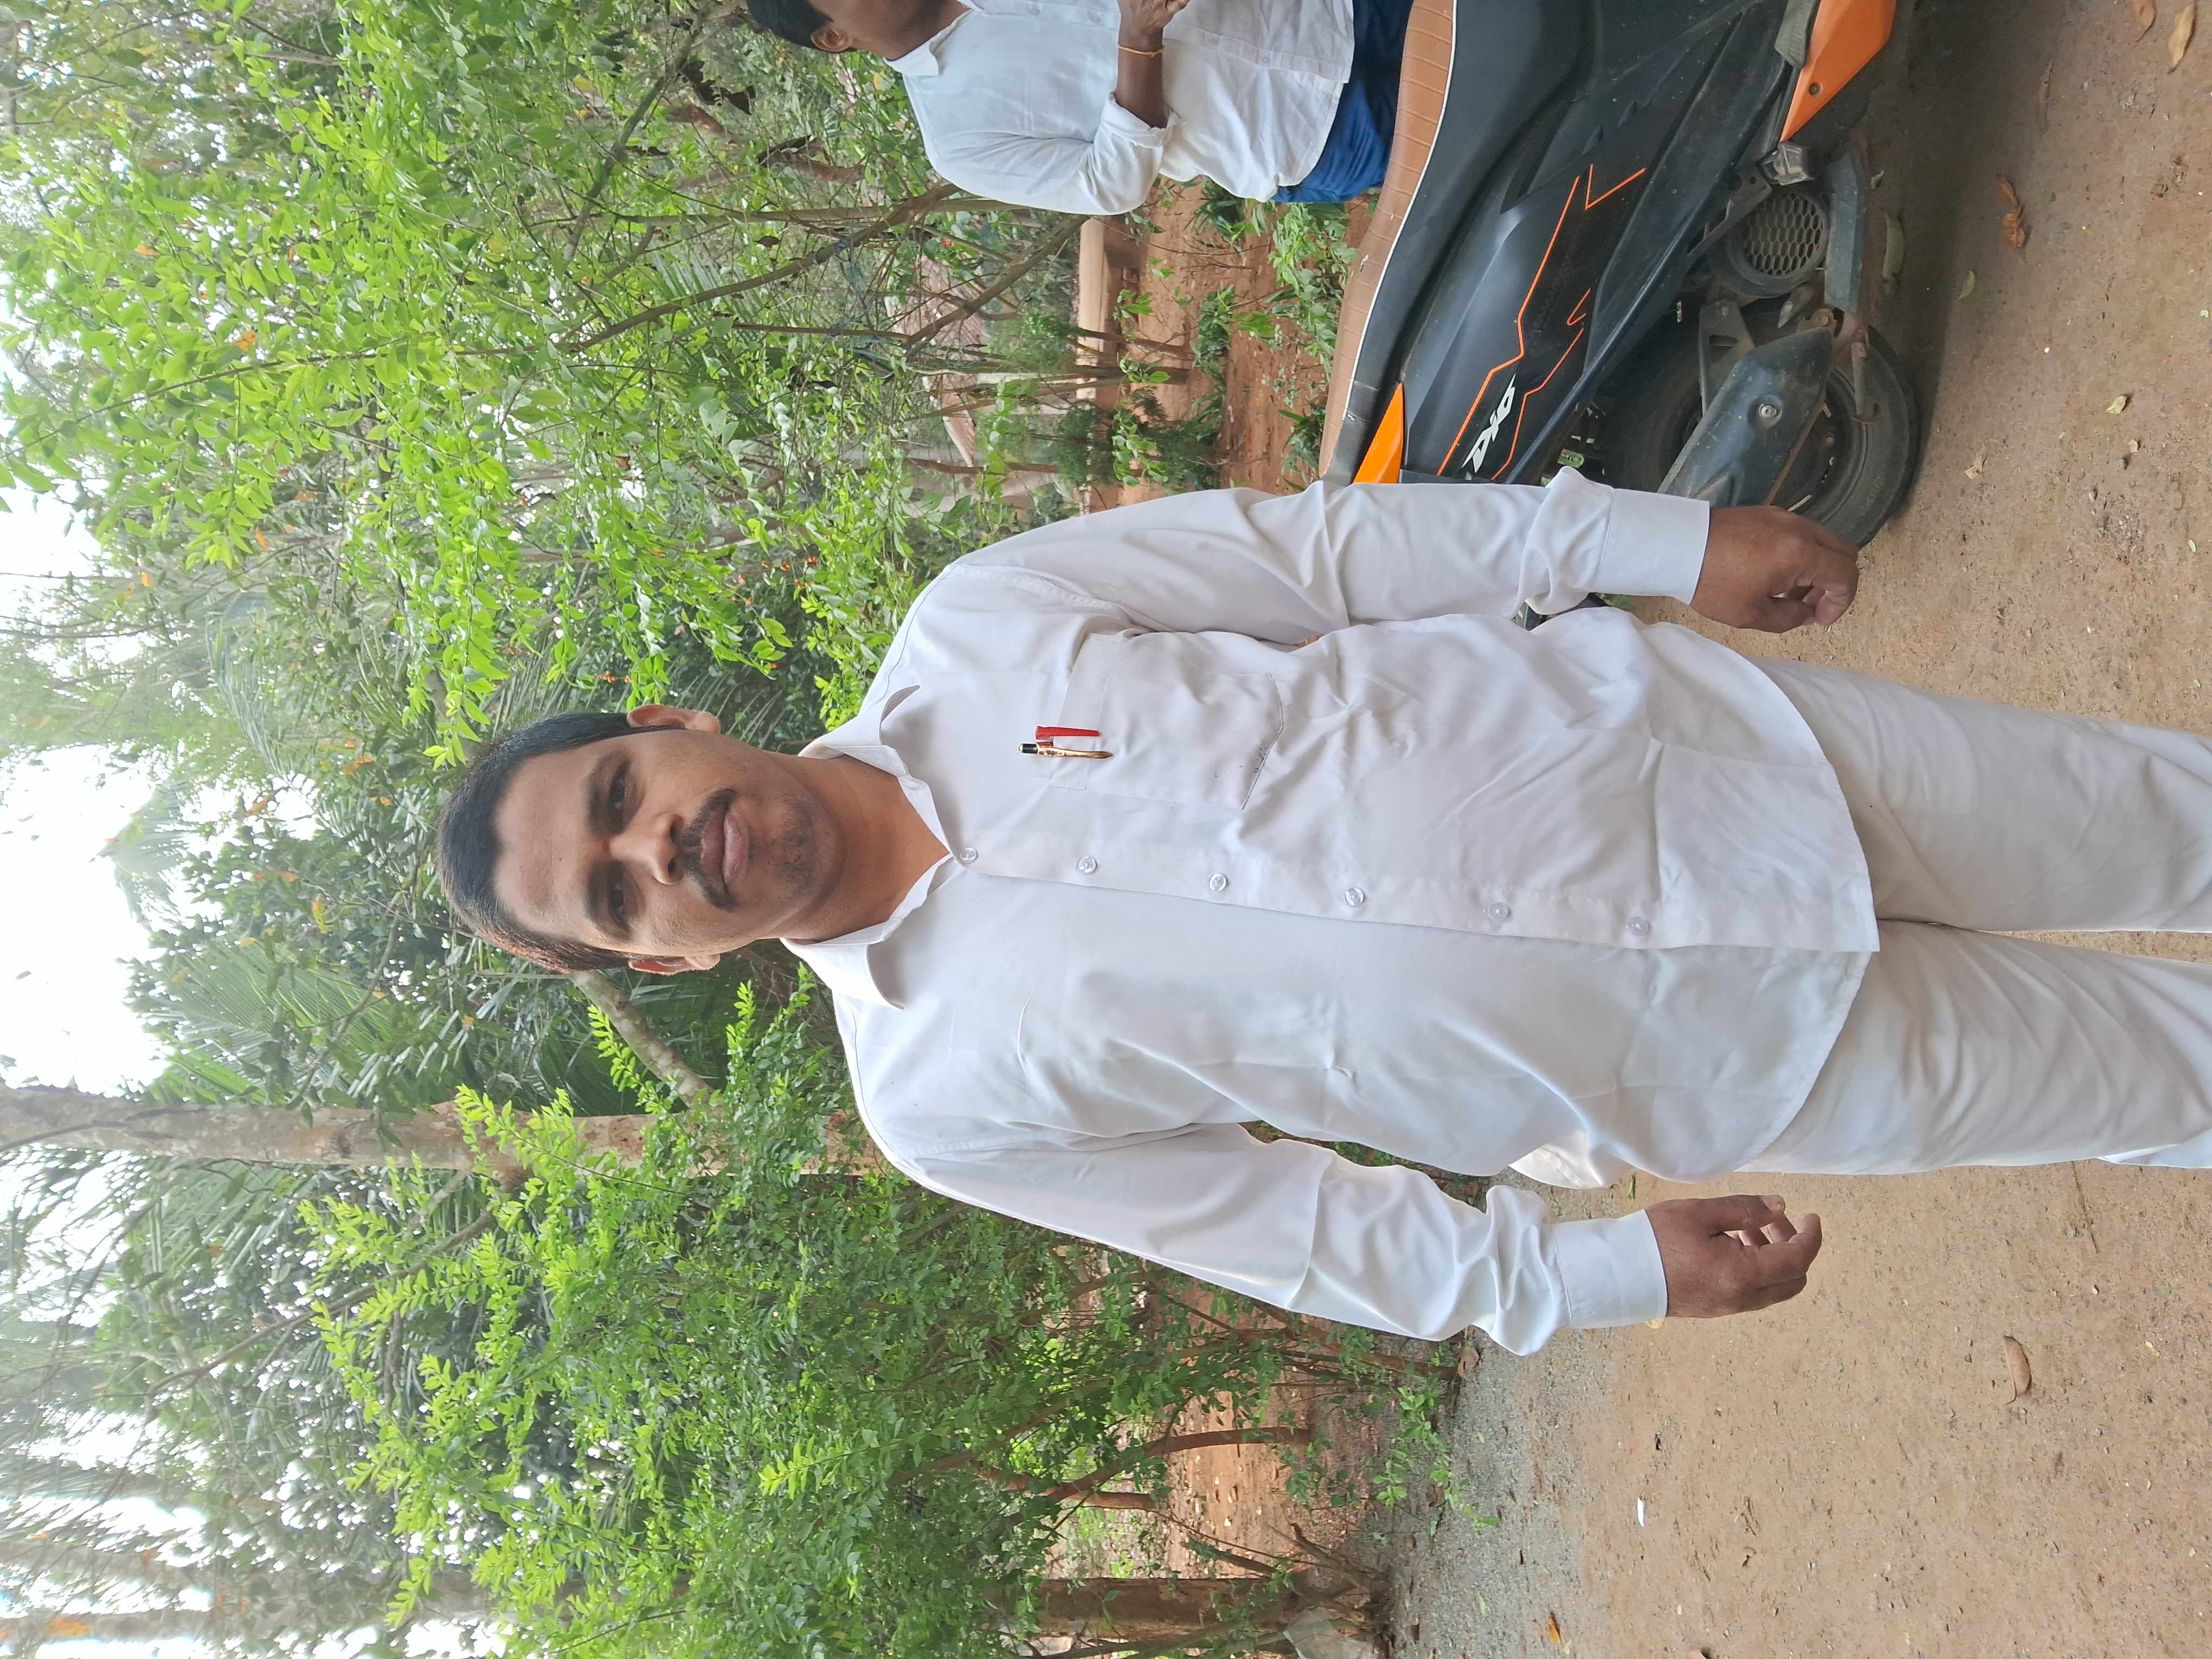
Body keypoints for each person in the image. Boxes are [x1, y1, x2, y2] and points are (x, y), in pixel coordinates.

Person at [434, 474, 2212, 1354]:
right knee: (2166, 1086)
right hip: (1727, 1058)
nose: (658, 847)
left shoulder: (982, 626)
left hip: (1721, 761)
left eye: (620, 795)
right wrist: (1590, 1277)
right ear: (653, 960)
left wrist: (1662, 544)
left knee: (2171, 820)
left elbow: (1330, 556)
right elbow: (1286, 1228)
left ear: (665, 723)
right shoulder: (937, 1098)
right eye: (615, 893)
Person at [747, 0, 1414, 214]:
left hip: (1328, 12)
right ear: (834, 37)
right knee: (1477, 135)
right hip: (1308, 137)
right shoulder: (958, 140)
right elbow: (1109, 185)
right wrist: (1139, 39)